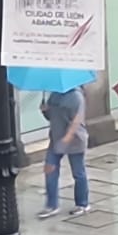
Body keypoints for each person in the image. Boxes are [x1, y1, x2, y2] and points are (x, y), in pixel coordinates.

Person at [39, 85, 90, 218]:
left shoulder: (75, 96)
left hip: (75, 140)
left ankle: (82, 204)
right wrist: (45, 111)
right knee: (50, 170)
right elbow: (52, 117)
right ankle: (52, 205)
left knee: (78, 173)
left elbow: (77, 120)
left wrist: (68, 137)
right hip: (56, 138)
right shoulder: (54, 95)